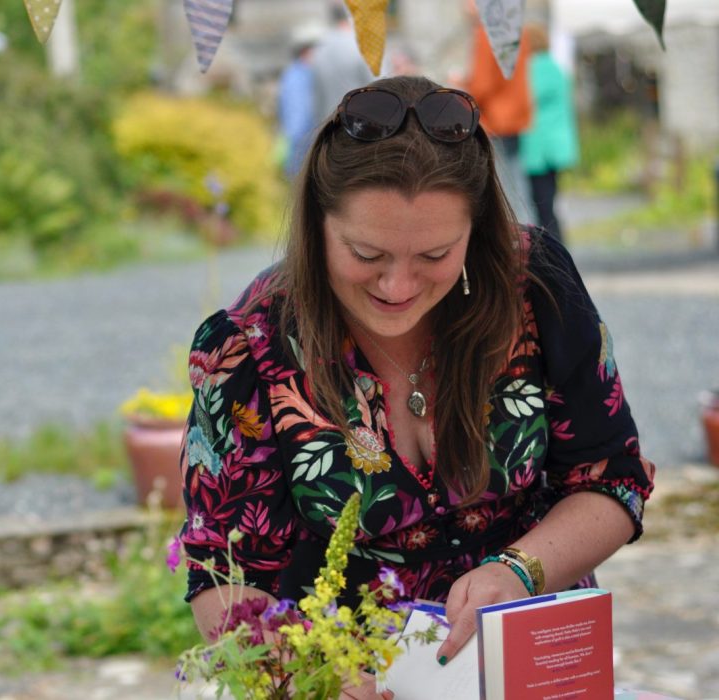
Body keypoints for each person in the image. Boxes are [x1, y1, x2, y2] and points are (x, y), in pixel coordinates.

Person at [178, 76, 654, 698]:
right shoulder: (249, 345)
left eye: (434, 255)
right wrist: (305, 678)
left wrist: (520, 569)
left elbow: (612, 478)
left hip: (529, 669)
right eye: (366, 253)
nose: (398, 286)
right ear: (316, 225)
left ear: (476, 229)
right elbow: (222, 571)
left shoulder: (533, 287)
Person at [465, 12, 536, 225]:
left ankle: (516, 239)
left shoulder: (487, 32)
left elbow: (483, 84)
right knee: (517, 184)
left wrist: (463, 87)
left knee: (503, 189)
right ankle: (529, 236)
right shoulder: (516, 30)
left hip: (495, 117)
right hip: (515, 114)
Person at [520, 23, 579, 245]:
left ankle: (552, 250)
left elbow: (525, 99)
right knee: (549, 202)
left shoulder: (534, 68)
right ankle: (557, 246)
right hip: (554, 146)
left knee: (542, 205)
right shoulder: (555, 67)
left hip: (540, 148)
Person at [278, 27, 319, 179]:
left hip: (301, 139)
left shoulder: (293, 73)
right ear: (305, 52)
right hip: (300, 140)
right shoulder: (298, 75)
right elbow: (297, 116)